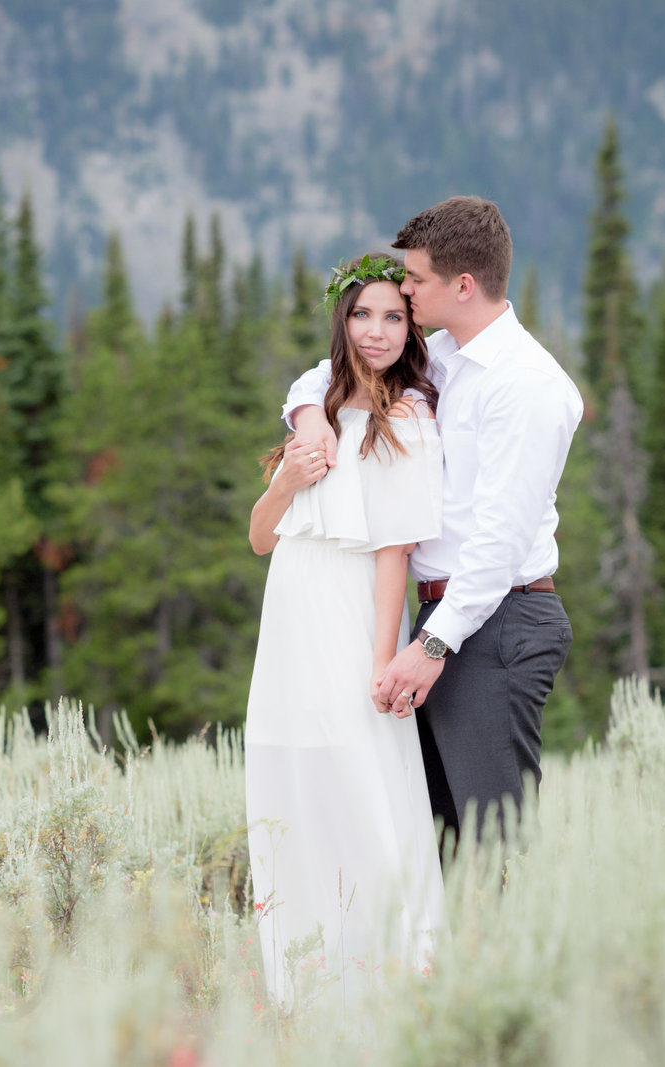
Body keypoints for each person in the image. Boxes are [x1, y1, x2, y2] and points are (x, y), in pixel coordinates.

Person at [284, 196, 584, 850]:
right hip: (449, 620)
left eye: (416, 279)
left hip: (499, 620)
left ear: (463, 285)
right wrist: (309, 416)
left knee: (494, 842)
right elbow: (331, 374)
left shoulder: (526, 385)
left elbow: (498, 542)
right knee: (439, 842)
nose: (406, 290)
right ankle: (457, 955)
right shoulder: (445, 355)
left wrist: (432, 646)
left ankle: (520, 952)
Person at [245, 253, 446, 1010]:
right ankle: (303, 982)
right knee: (291, 780)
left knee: (365, 778)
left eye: (394, 316)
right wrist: (291, 478)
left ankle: (397, 977)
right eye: (363, 314)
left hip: (355, 609)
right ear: (342, 318)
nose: (377, 330)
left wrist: (383, 660)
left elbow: (395, 552)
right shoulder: (314, 405)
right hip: (291, 608)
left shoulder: (411, 416)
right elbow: (262, 535)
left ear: (410, 326)